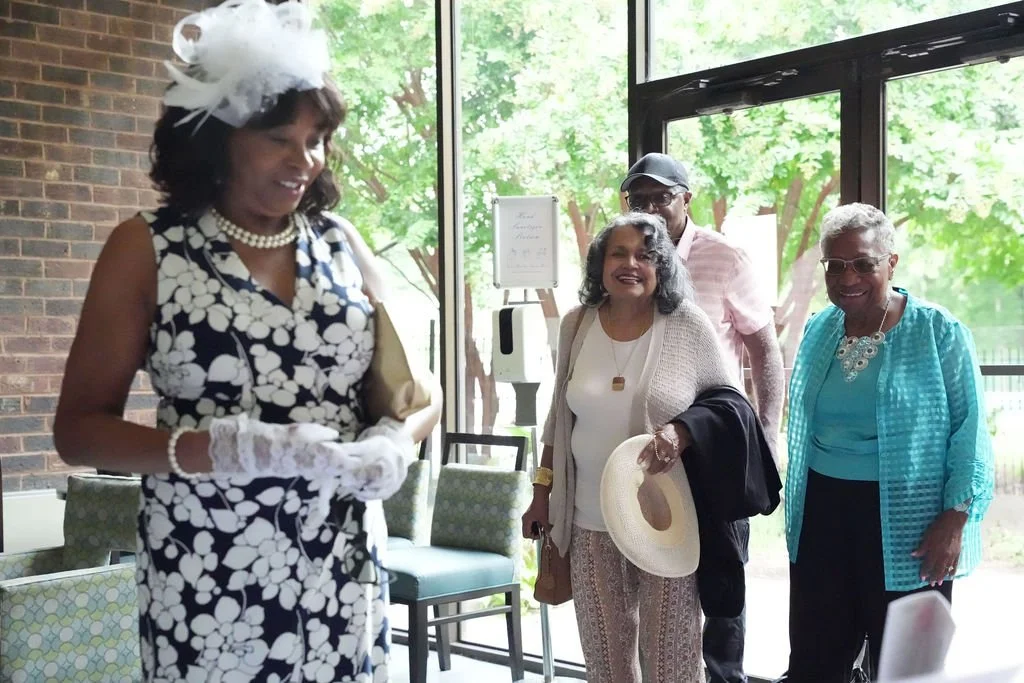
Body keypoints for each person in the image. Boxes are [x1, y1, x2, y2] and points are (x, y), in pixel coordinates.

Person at [52, 1, 440, 680]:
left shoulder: (341, 243)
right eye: (279, 138)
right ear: (218, 137)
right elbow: (78, 431)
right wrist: (219, 450)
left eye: (317, 138)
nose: (304, 160)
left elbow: (415, 390)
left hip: (341, 566)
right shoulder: (147, 248)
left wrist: (394, 443)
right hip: (209, 575)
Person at [521, 212, 737, 683]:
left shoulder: (686, 325)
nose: (631, 264)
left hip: (667, 523)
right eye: (618, 253)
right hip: (587, 519)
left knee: (671, 663)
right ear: (600, 264)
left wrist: (681, 432)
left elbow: (726, 408)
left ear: (662, 267)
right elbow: (559, 417)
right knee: (606, 663)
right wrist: (541, 492)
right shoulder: (577, 324)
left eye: (645, 255)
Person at [783, 203, 994, 682]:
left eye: (863, 263)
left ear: (891, 262)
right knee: (816, 658)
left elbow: (970, 429)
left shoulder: (938, 331)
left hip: (910, 520)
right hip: (823, 514)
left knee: (908, 667)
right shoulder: (820, 328)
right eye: (835, 265)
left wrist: (956, 517)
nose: (847, 277)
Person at [622, 152, 785, 683]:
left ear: (686, 199)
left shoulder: (725, 256)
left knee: (722, 576)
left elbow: (764, 349)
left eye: (661, 197)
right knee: (656, 572)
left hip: (713, 443)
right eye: (638, 199)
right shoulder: (625, 261)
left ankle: (723, 676)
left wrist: (767, 431)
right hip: (647, 450)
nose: (650, 208)